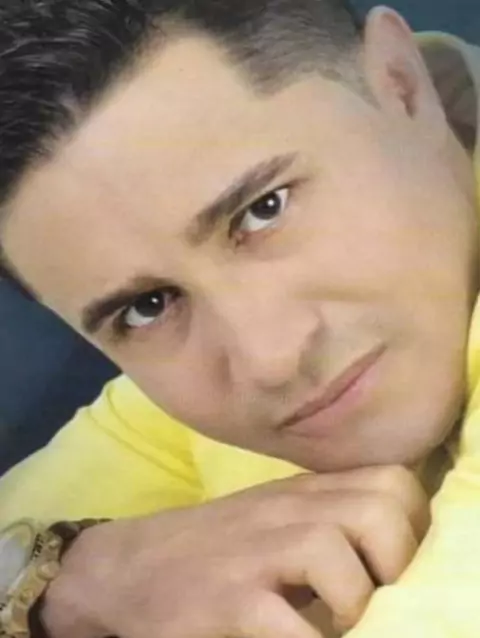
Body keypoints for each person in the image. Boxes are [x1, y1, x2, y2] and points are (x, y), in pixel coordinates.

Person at [0, 0, 479, 636]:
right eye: (148, 306)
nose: (269, 358)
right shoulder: (172, 414)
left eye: (264, 209)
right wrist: (76, 577)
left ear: (402, 84)